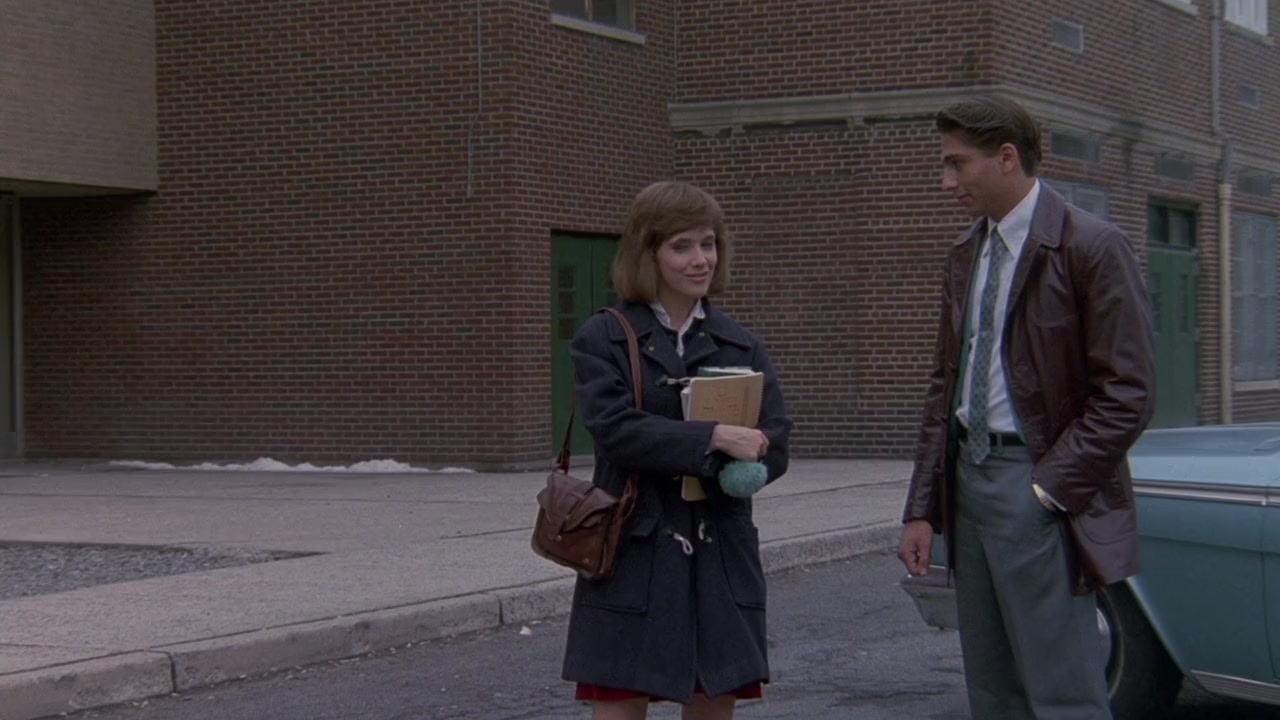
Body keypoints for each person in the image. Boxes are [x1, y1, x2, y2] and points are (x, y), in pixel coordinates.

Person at [897, 95, 1156, 720]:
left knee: (1062, 687)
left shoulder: (1090, 246)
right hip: (969, 481)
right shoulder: (967, 252)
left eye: (958, 164)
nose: (947, 181)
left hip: (1037, 481)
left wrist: (1049, 489)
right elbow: (944, 387)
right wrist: (922, 508)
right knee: (992, 688)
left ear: (1007, 157)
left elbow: (1129, 392)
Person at [561, 180, 792, 720]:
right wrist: (713, 437)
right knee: (620, 700)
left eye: (708, 244)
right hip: (633, 551)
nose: (700, 259)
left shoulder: (741, 343)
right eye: (681, 246)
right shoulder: (604, 337)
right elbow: (616, 430)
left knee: (715, 696)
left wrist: (745, 462)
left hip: (720, 552)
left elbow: (775, 443)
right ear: (648, 253)